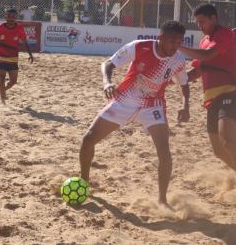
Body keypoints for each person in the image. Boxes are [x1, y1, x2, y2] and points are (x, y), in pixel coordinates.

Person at [79, 21, 190, 205]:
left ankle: (162, 200)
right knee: (88, 139)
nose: (176, 46)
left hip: (153, 105)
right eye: (172, 41)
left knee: (164, 151)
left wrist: (185, 105)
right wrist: (107, 83)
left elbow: (184, 84)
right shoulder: (139, 47)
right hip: (124, 100)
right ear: (160, 38)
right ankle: (84, 182)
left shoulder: (177, 60)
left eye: (179, 42)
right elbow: (108, 64)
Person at [178, 4, 236, 198]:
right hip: (211, 99)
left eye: (203, 22)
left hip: (230, 93)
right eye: (197, 22)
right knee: (218, 151)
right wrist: (172, 78)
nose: (200, 26)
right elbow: (198, 71)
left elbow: (208, 56)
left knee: (228, 141)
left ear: (214, 18)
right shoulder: (204, 41)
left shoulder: (224, 34)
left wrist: (178, 46)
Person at [0, 8, 34, 103]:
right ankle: (2, 98)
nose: (11, 18)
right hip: (1, 57)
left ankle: (3, 90)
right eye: (9, 16)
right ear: (5, 16)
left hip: (13, 58)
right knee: (2, 77)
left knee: (13, 81)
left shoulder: (19, 28)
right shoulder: (0, 28)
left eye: (13, 17)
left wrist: (30, 55)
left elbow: (25, 42)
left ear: (16, 17)